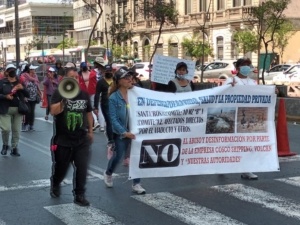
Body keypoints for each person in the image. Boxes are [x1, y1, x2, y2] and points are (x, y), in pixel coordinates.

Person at [49, 67, 93, 206]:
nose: (74, 80)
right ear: (65, 79)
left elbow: (88, 113)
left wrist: (90, 130)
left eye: (76, 77)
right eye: (71, 77)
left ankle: (79, 194)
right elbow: (53, 112)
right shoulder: (58, 93)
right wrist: (64, 99)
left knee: (82, 167)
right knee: (61, 167)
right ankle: (55, 182)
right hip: (63, 140)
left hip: (81, 139)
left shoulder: (84, 95)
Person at [103, 67, 146, 194]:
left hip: (136, 131)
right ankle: (108, 172)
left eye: (131, 77)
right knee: (119, 155)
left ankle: (136, 183)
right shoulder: (113, 98)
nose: (129, 79)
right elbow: (113, 119)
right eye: (126, 77)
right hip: (122, 133)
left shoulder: (137, 93)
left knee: (136, 156)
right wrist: (124, 132)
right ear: (118, 81)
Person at [224, 57, 258, 180]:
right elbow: (222, 95)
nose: (246, 68)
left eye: (248, 66)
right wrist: (229, 88)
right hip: (233, 118)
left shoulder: (252, 83)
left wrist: (271, 91)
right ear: (238, 68)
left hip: (247, 118)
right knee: (229, 143)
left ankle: (246, 170)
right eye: (244, 66)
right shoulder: (231, 80)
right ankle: (222, 165)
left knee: (248, 144)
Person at [0, 64, 29, 156]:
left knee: (16, 130)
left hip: (18, 109)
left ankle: (14, 148)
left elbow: (28, 94)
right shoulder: (2, 82)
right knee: (6, 129)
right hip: (5, 109)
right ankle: (5, 145)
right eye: (10, 70)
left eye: (13, 70)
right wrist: (5, 96)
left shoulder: (19, 82)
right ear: (7, 72)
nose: (12, 71)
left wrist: (22, 88)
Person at [94, 64, 114, 145]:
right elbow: (97, 94)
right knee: (109, 121)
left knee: (114, 121)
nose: (108, 72)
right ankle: (111, 140)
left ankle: (115, 138)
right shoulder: (101, 82)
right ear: (104, 72)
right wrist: (95, 107)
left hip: (115, 104)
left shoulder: (115, 81)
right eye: (107, 71)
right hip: (105, 104)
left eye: (110, 71)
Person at [19, 65, 41, 131]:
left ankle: (31, 125)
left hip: (34, 97)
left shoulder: (35, 76)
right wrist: (23, 96)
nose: (34, 71)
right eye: (32, 69)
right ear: (29, 70)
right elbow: (23, 86)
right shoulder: (24, 76)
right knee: (28, 111)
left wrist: (39, 93)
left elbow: (37, 85)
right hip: (27, 97)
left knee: (32, 112)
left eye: (34, 70)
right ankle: (25, 124)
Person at [90, 57, 106, 131]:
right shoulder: (105, 72)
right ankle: (102, 126)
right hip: (103, 92)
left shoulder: (92, 72)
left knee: (94, 108)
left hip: (94, 92)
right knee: (101, 108)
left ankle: (96, 122)